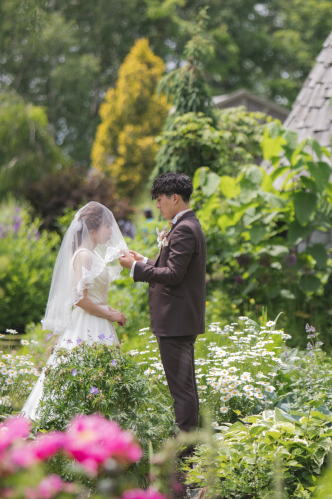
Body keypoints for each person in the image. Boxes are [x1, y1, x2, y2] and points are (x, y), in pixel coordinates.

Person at [119, 172, 207, 458]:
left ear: (174, 198)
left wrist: (134, 270)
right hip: (179, 320)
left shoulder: (183, 229)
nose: (157, 205)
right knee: (185, 387)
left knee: (181, 390)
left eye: (159, 200)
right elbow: (171, 265)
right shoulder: (185, 225)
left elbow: (173, 275)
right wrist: (143, 260)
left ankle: (185, 456)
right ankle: (190, 446)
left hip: (176, 322)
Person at [21, 202, 128, 420]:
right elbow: (79, 298)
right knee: (85, 375)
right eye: (107, 227)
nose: (111, 231)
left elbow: (95, 295)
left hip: (99, 321)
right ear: (92, 230)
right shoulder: (84, 255)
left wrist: (112, 310)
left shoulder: (93, 254)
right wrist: (109, 314)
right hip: (88, 324)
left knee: (100, 378)